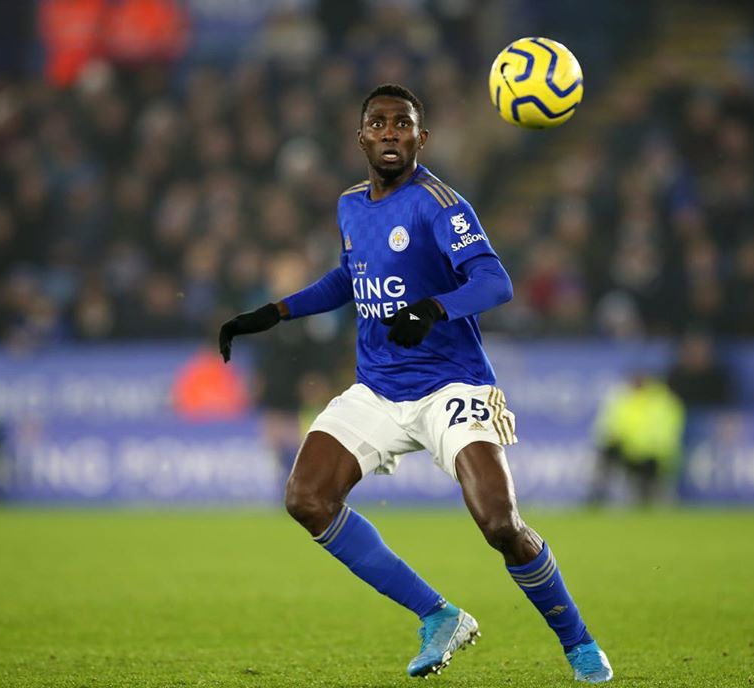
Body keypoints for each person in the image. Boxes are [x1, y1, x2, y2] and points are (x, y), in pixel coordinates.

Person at [217, 84, 613, 682]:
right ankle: (438, 615)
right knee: (305, 498)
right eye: (378, 123)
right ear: (362, 137)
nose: (390, 133)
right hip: (377, 388)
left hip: (453, 386)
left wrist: (432, 309)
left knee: (500, 524)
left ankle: (579, 643)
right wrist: (275, 312)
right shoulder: (351, 205)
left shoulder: (439, 203)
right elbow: (350, 277)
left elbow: (495, 281)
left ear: (420, 138)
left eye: (403, 124)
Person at [590, 372, 685, 506]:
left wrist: (649, 452)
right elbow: (607, 428)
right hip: (628, 451)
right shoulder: (621, 400)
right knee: (604, 456)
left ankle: (650, 497)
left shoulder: (664, 402)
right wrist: (614, 440)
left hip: (654, 456)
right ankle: (596, 497)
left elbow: (667, 436)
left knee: (649, 494)